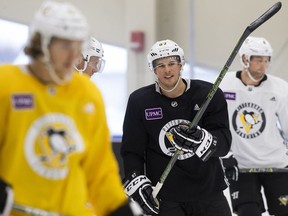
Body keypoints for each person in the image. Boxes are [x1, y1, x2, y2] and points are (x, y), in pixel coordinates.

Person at [0, 1, 141, 216]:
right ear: (41, 44)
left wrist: (118, 207)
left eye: (77, 47)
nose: (73, 56)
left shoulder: (87, 94)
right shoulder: (7, 84)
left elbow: (99, 170)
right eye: (65, 46)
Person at [121, 39, 232, 216]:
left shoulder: (208, 94)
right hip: (166, 197)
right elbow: (132, 150)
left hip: (209, 194)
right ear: (153, 69)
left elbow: (224, 144)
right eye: (161, 65)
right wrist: (136, 180)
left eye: (172, 63)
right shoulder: (139, 101)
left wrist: (202, 139)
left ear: (181, 65)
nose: (167, 70)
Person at [220, 36, 288, 216]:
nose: (263, 65)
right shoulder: (224, 84)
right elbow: (215, 123)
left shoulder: (279, 88)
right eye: (258, 60)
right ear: (244, 59)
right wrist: (223, 155)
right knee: (247, 212)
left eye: (266, 61)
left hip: (276, 164)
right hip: (241, 165)